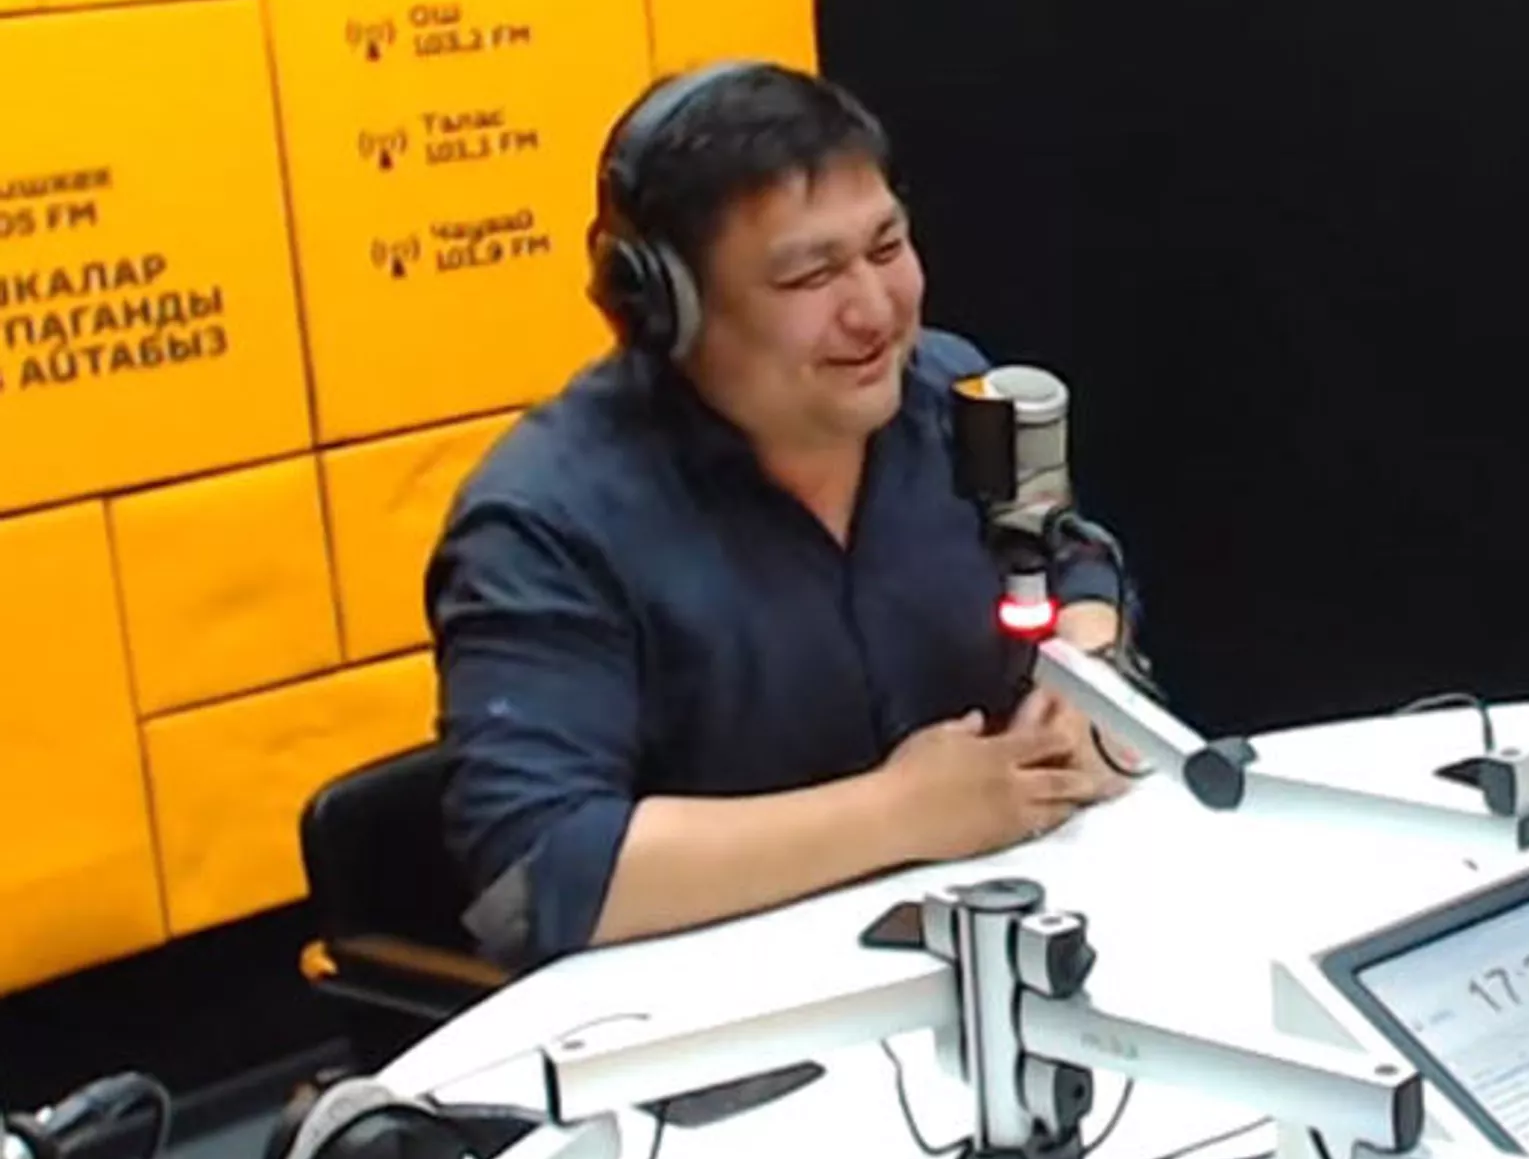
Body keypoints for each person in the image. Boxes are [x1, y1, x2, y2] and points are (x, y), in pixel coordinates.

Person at [427, 61, 1129, 969]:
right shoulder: (545, 520)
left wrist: (1088, 667)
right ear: (666, 307)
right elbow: (537, 871)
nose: (874, 312)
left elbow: (1072, 560)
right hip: (712, 1008)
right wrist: (897, 814)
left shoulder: (949, 393)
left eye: (886, 247)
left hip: (989, 951)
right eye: (810, 276)